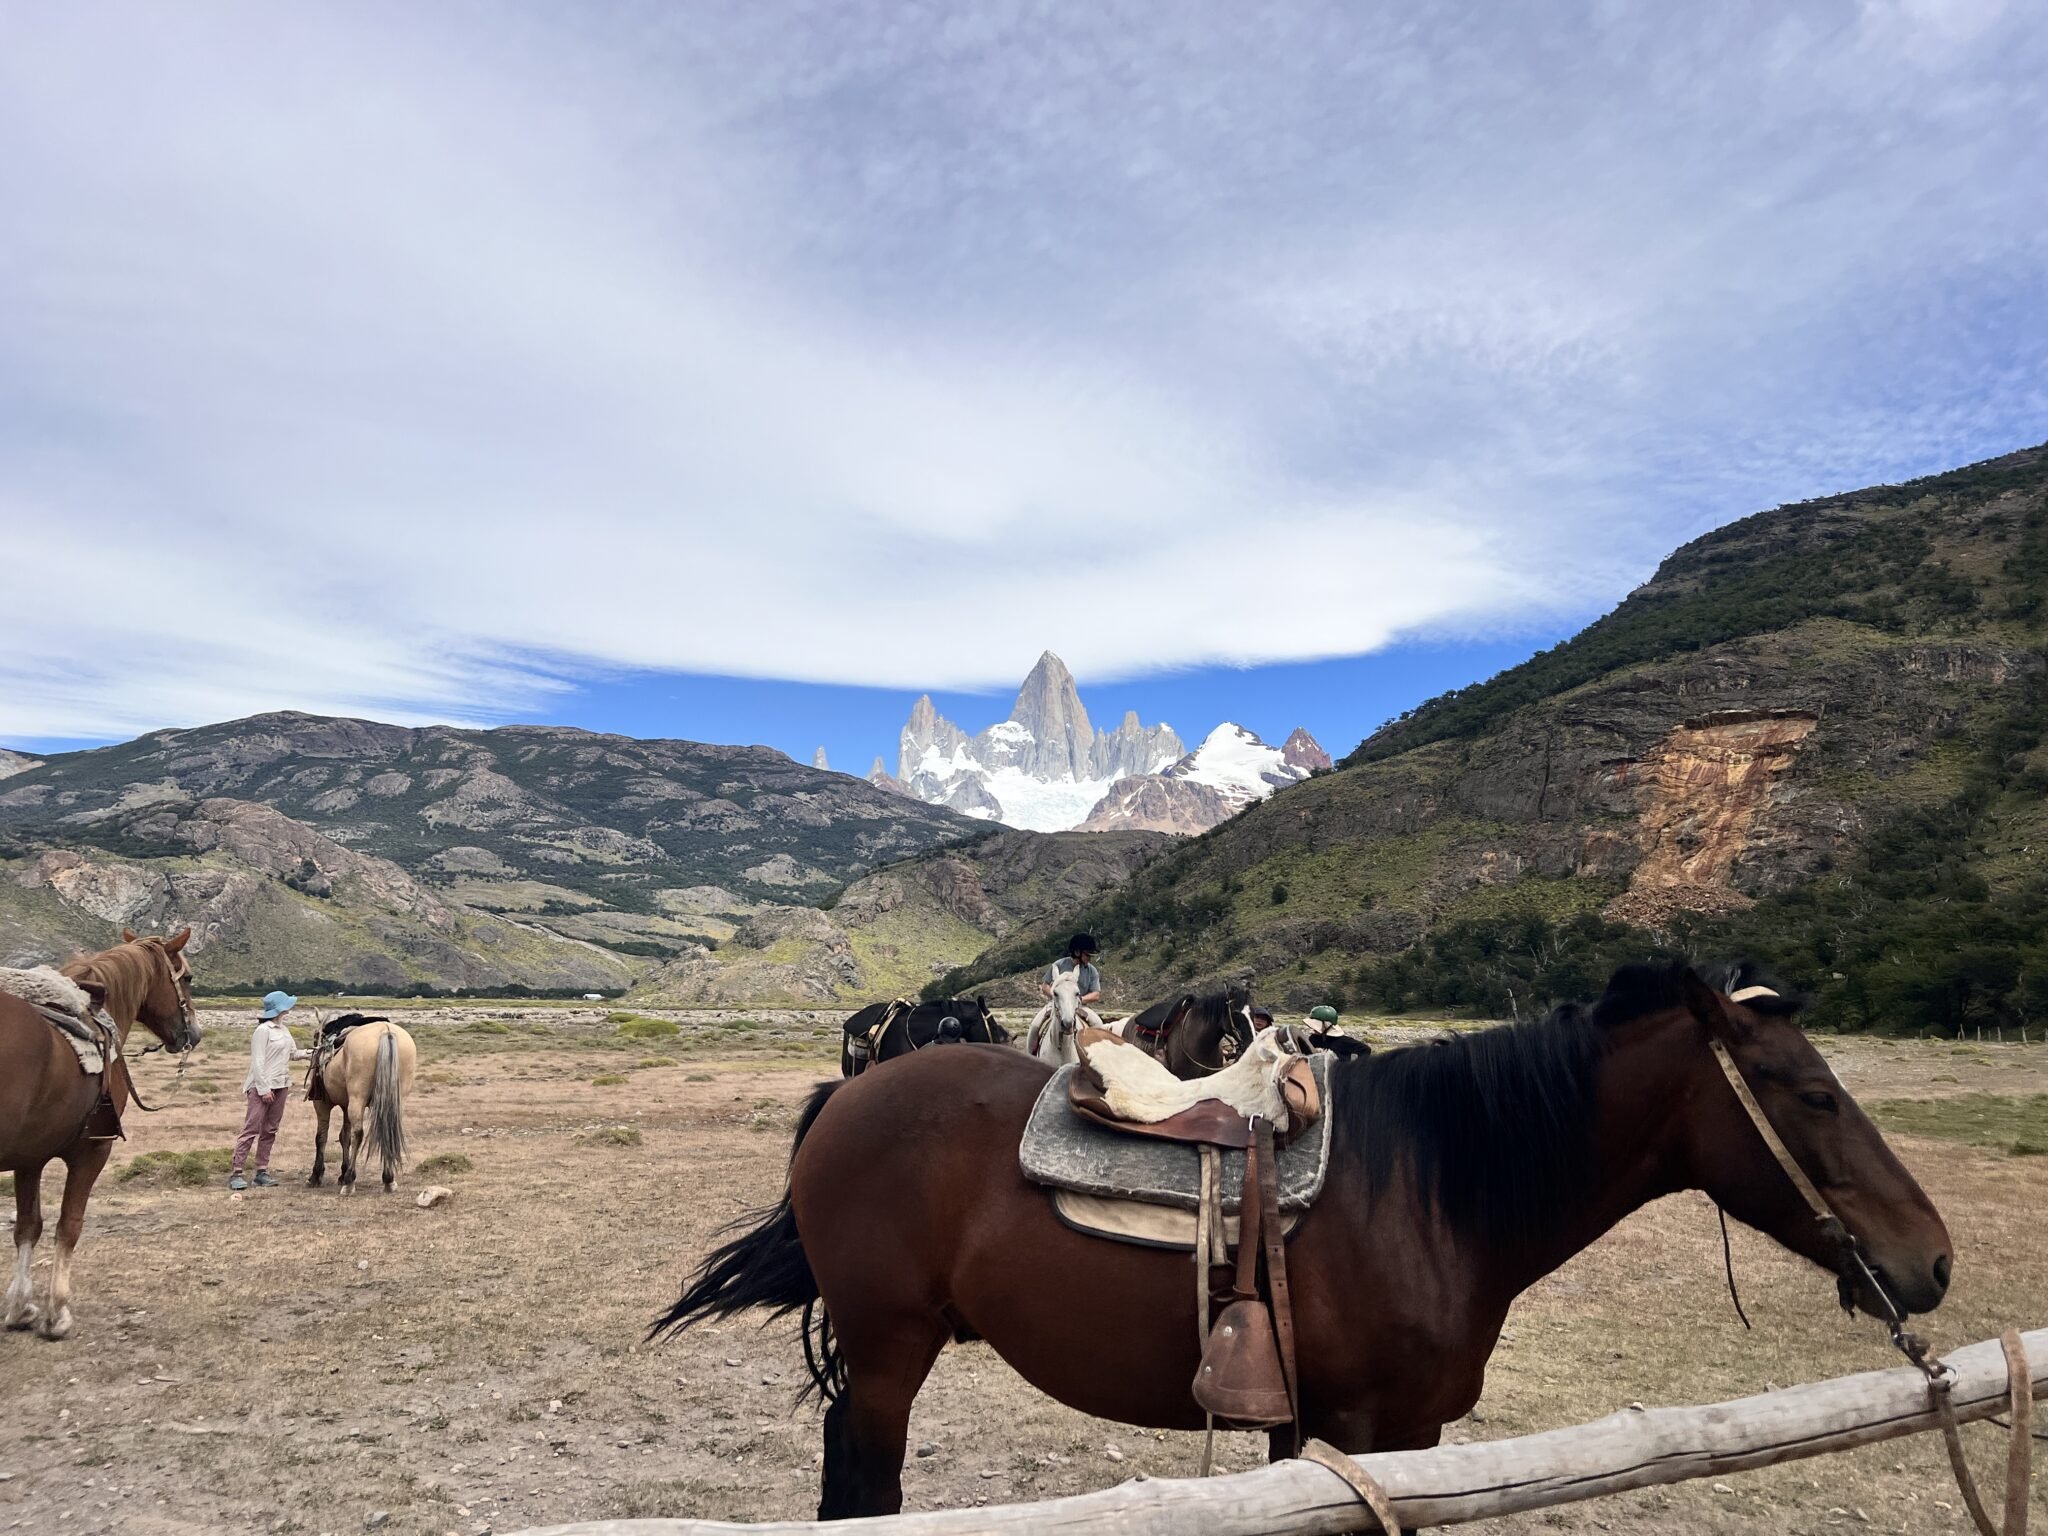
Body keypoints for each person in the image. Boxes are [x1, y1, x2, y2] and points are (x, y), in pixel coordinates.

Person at [229, 991, 306, 1191]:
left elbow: (293, 1054)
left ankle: (261, 1170)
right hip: (261, 1086)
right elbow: (258, 1062)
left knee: (270, 1129)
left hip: (281, 1084)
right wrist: (264, 1089)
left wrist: (312, 1052)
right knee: (251, 1128)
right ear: (280, 1008)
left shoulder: (284, 1030)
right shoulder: (263, 1031)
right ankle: (237, 1172)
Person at [1041, 934, 1103, 1009]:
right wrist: (1056, 997)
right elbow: (1045, 986)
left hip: (1081, 1006)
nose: (1089, 958)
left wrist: (1079, 999)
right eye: (1087, 955)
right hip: (1056, 1005)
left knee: (1094, 1017)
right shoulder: (1058, 965)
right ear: (1077, 952)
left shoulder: (1092, 970)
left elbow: (1096, 995)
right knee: (1040, 1016)